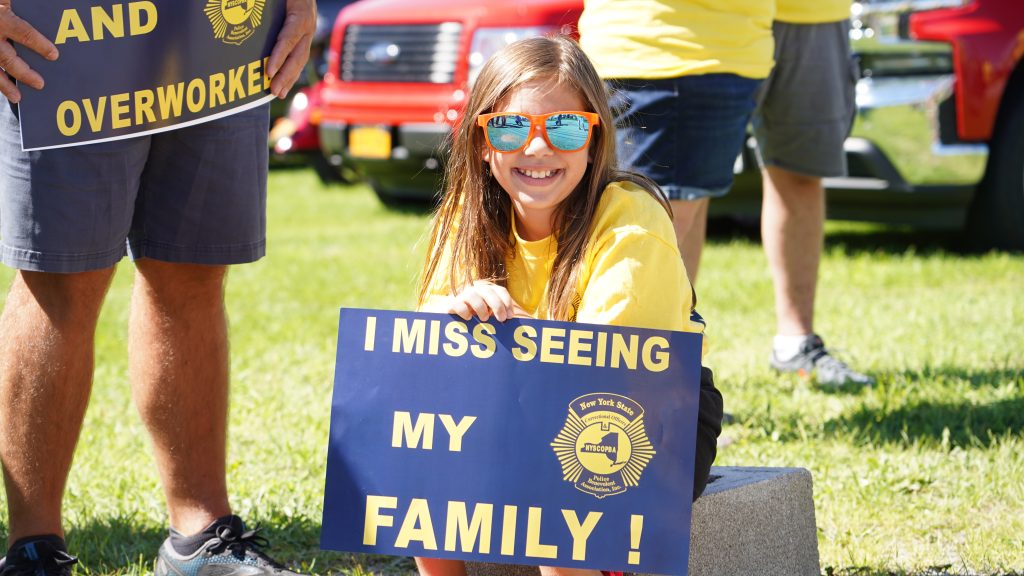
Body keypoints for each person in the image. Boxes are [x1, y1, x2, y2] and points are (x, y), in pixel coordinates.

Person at [0, 1, 318, 576]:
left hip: (218, 30)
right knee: (61, 277)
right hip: (68, 26)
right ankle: (34, 548)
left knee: (193, 266)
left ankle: (199, 537)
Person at [415, 35, 723, 576]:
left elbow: (609, 376)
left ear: (593, 140)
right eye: (510, 127)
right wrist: (447, 316)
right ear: (483, 143)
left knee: (555, 472)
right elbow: (417, 360)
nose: (537, 148)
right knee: (421, 455)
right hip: (514, 397)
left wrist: (514, 335)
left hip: (645, 409)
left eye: (564, 127)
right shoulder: (465, 216)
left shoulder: (631, 221)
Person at [579, 0, 872, 387]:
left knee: (691, 202)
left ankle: (681, 378)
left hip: (782, 23)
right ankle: (640, 385)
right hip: (681, 39)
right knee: (661, 217)